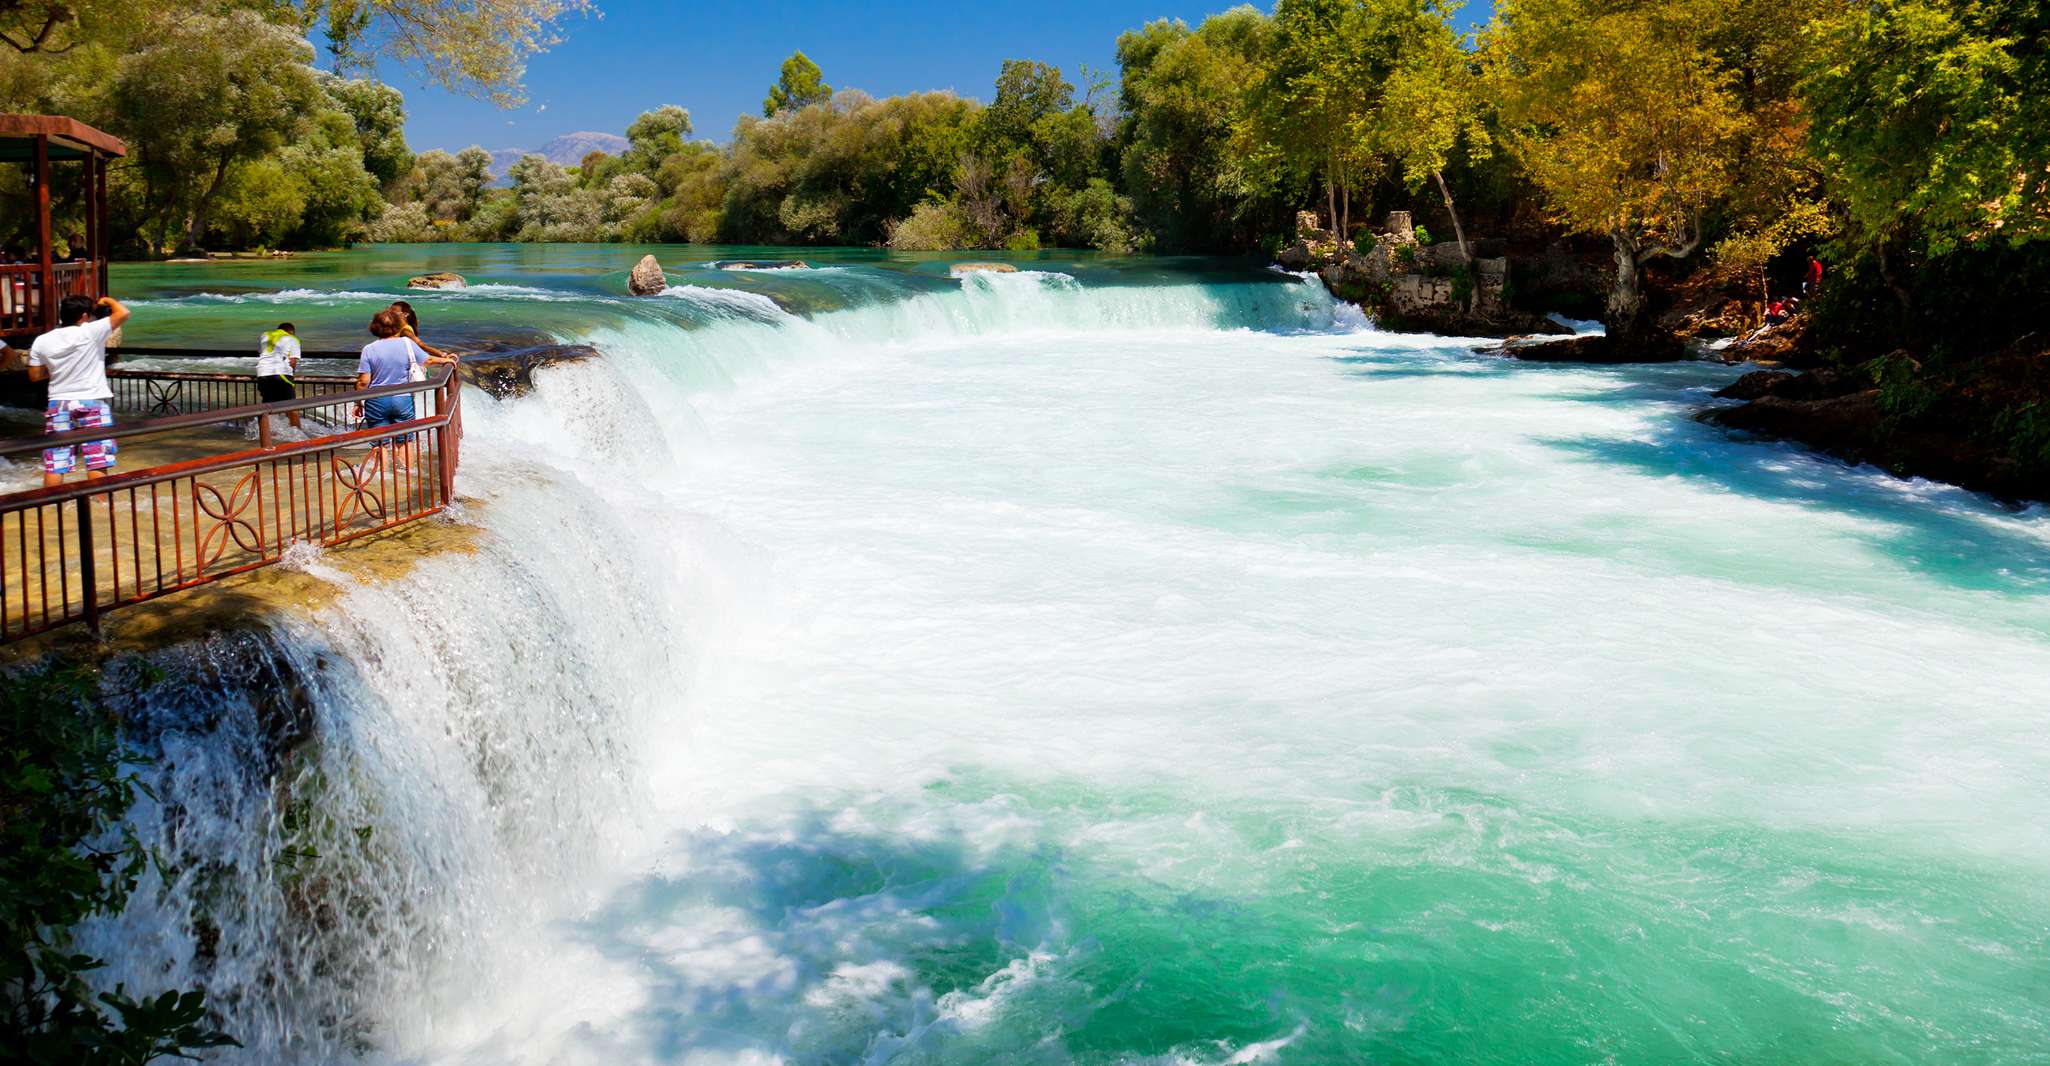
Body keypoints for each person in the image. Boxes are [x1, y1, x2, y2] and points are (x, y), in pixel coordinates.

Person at [27, 294, 128, 489]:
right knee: (97, 458)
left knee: (56, 462)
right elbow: (123, 312)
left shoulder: (42, 340)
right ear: (83, 316)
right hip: (92, 401)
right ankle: (101, 507)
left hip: (59, 402)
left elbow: (35, 375)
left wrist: (61, 369)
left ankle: (51, 508)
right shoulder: (91, 331)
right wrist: (107, 300)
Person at [355, 308, 454, 470]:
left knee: (380, 442)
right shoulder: (407, 343)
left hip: (377, 400)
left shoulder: (369, 349)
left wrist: (358, 402)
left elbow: (363, 382)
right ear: (397, 326)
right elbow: (427, 359)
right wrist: (446, 360)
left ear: (375, 327)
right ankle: (407, 475)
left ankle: (383, 478)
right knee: (406, 440)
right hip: (403, 399)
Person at [257, 321, 303, 429]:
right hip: (281, 374)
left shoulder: (265, 335)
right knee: (292, 408)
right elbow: (292, 362)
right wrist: (292, 378)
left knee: (269, 407)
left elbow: (262, 353)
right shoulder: (292, 339)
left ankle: (270, 434)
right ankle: (298, 436)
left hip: (262, 373)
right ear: (291, 331)